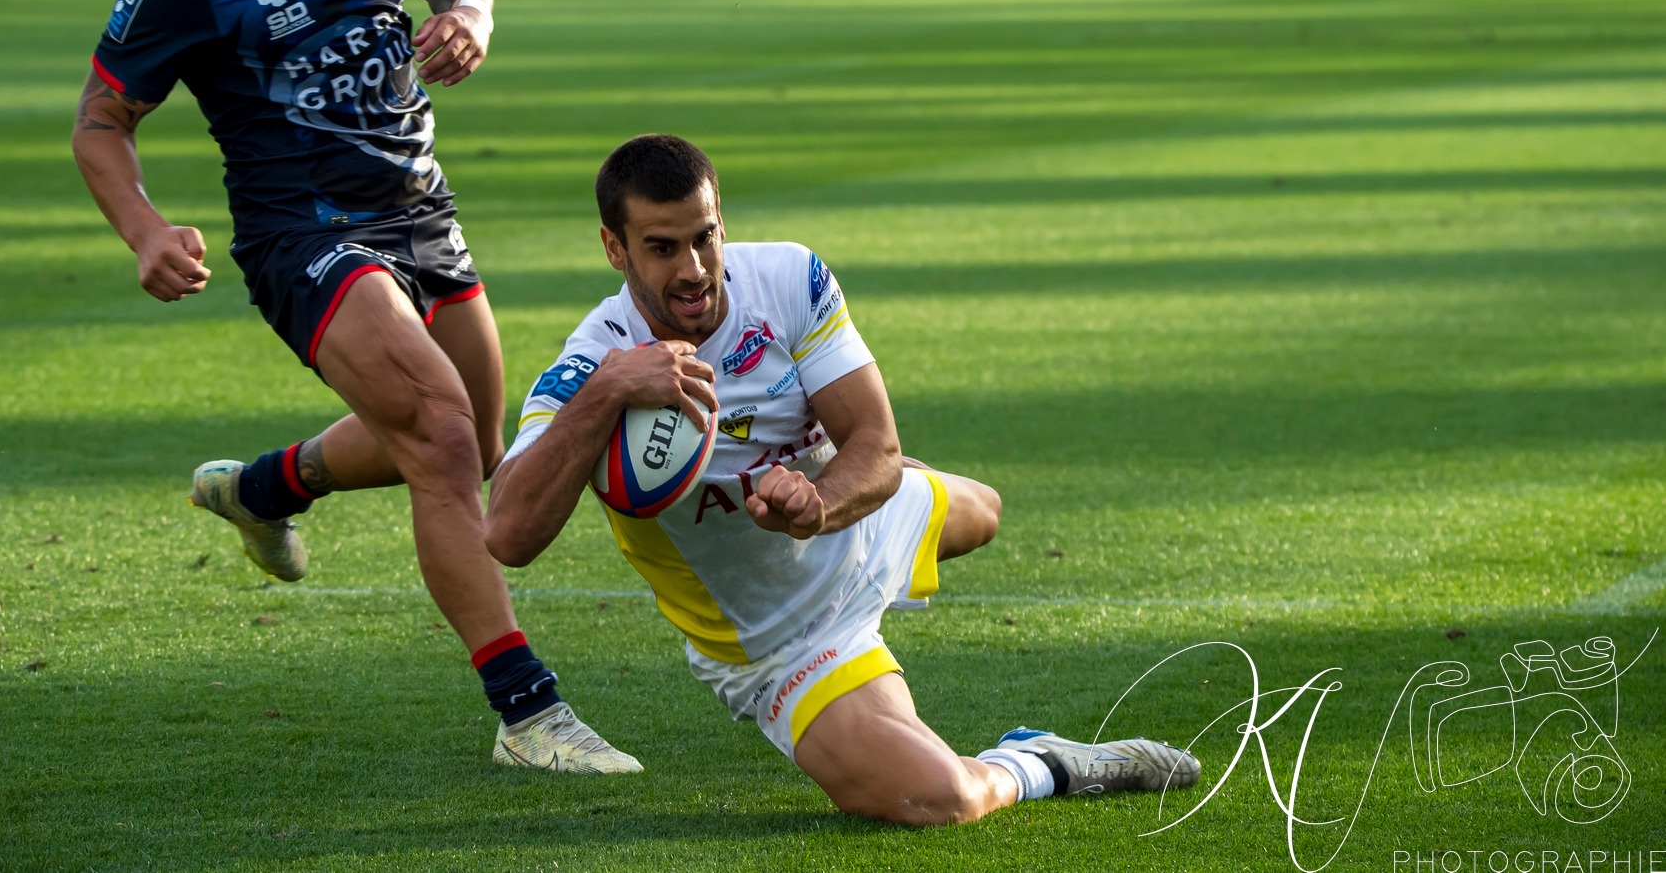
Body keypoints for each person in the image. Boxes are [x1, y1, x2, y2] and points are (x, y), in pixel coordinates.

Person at [70, 0, 638, 775]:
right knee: (442, 438)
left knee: (470, 440)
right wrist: (144, 231)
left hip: (422, 209)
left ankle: (266, 487)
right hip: (304, 233)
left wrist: (471, 15)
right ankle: (528, 714)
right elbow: (101, 120)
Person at [483, 135, 1202, 825]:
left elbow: (877, 446)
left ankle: (873, 508)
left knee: (983, 511)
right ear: (615, 248)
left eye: (705, 237)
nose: (695, 269)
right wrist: (607, 392)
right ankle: (1039, 761)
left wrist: (821, 500)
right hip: (779, 637)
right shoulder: (591, 363)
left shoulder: (788, 280)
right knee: (940, 797)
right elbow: (508, 534)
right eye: (662, 248)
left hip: (848, 523)